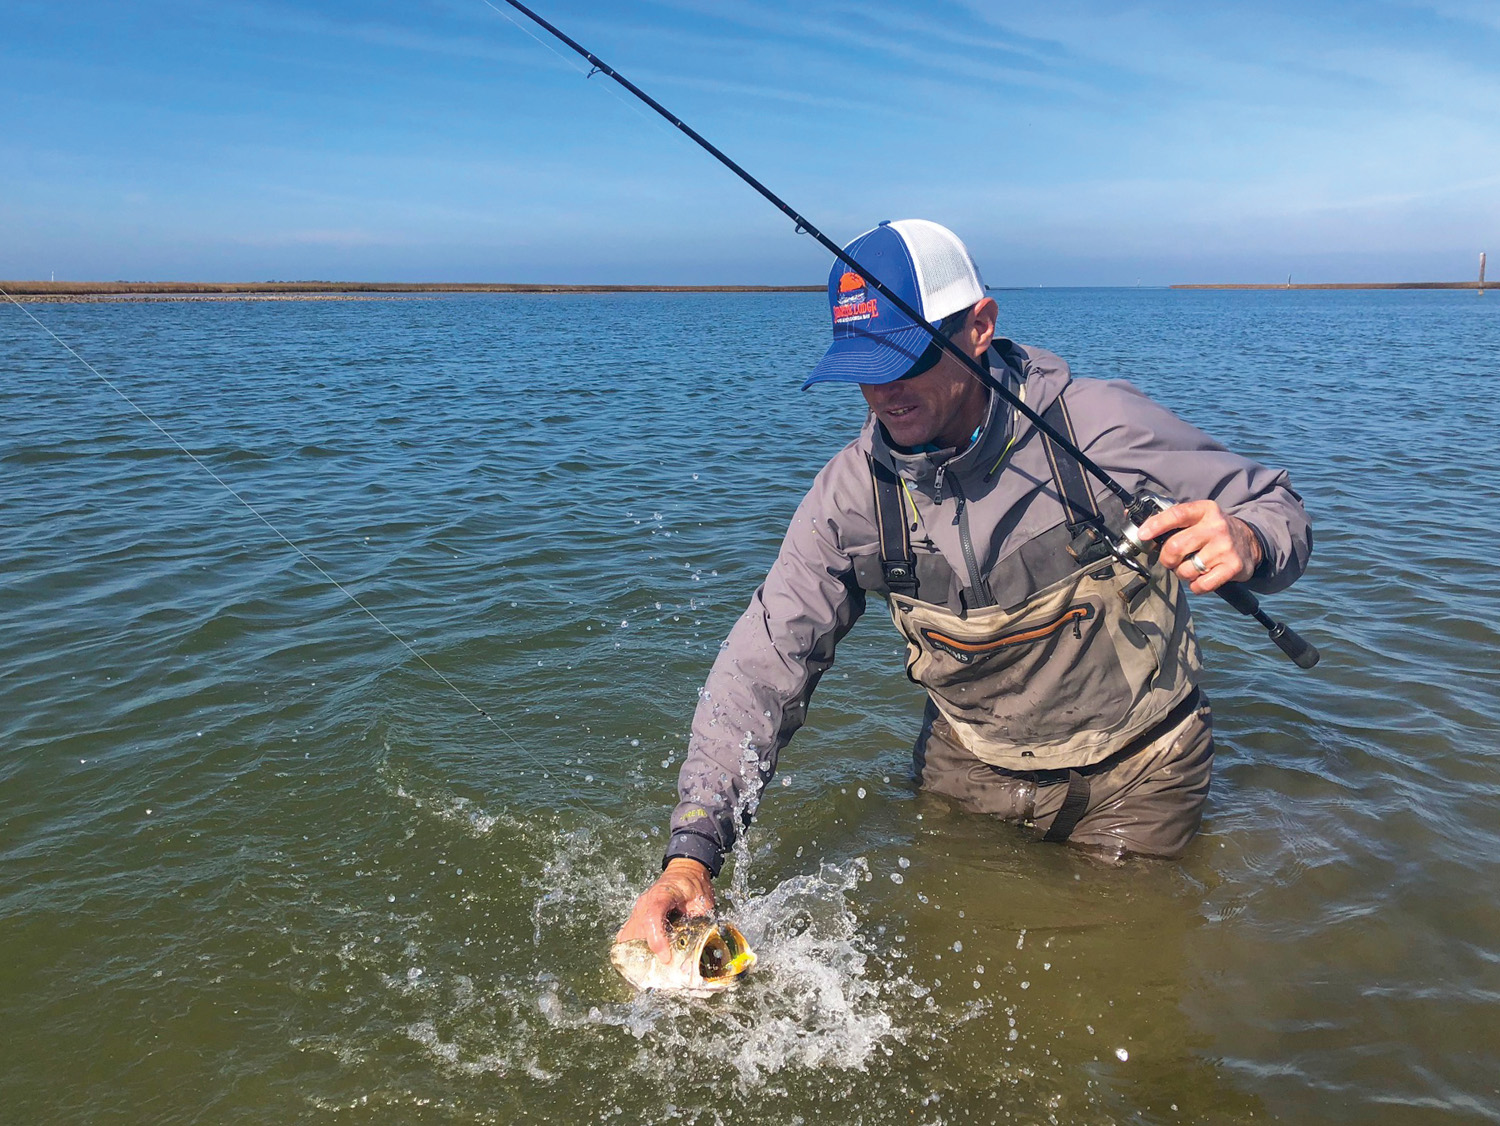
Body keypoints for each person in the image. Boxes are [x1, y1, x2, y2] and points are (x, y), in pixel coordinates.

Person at [617, 219, 1312, 961]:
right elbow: (763, 665)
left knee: (1120, 967)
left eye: (905, 357)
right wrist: (692, 854)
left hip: (1140, 774)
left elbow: (1277, 505)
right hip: (967, 767)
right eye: (863, 364)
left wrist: (1250, 540)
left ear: (980, 327)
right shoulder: (848, 500)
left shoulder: (1103, 426)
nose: (884, 391)